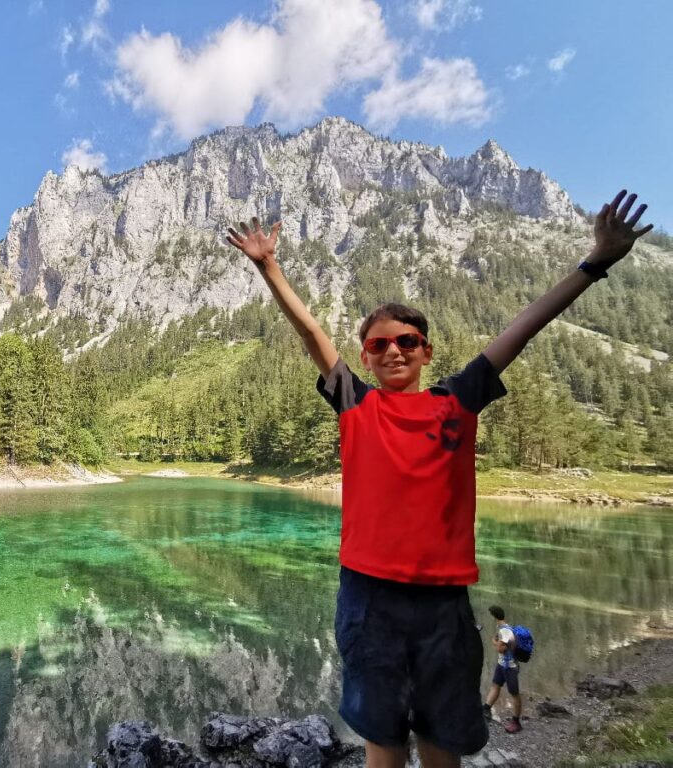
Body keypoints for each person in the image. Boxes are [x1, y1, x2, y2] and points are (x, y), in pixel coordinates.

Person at [225, 190, 651, 768]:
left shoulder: (458, 400)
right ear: (366, 358)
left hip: (444, 602)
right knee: (383, 740)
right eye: (379, 344)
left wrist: (595, 262)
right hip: (368, 596)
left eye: (407, 341)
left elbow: (523, 329)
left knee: (442, 740)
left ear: (426, 352)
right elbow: (309, 335)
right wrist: (268, 265)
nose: (393, 350)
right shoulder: (354, 403)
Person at [483, 605, 522, 732]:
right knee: (495, 685)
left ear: (494, 617)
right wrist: (496, 640)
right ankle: (486, 709)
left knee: (514, 694)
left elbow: (502, 648)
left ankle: (516, 722)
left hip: (510, 667)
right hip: (502, 664)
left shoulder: (504, 630)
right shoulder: (503, 627)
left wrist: (494, 642)